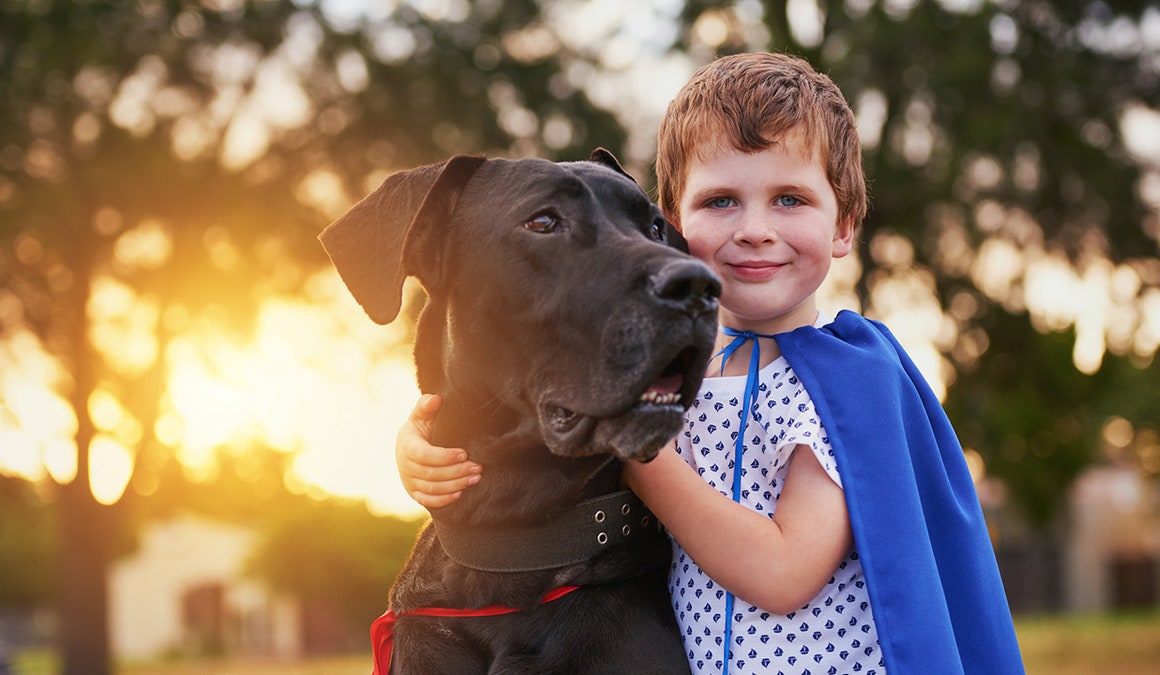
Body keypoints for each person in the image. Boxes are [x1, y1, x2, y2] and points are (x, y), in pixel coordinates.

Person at [395, 52, 1025, 674]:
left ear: (844, 226)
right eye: (721, 201)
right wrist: (420, 442)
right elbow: (537, 433)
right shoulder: (674, 377)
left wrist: (634, 450)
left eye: (790, 200)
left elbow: (783, 573)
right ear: (670, 226)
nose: (754, 228)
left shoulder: (842, 385)